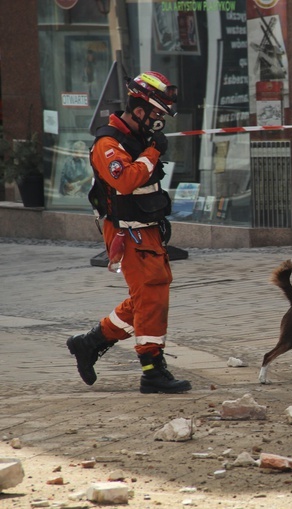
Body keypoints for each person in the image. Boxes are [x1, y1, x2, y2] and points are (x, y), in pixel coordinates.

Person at [66, 71, 191, 394]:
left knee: (151, 291)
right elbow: (125, 181)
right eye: (157, 114)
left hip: (146, 227)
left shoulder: (139, 138)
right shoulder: (108, 144)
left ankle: (91, 343)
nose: (160, 120)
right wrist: (152, 153)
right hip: (127, 231)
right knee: (150, 293)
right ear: (139, 111)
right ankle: (152, 370)